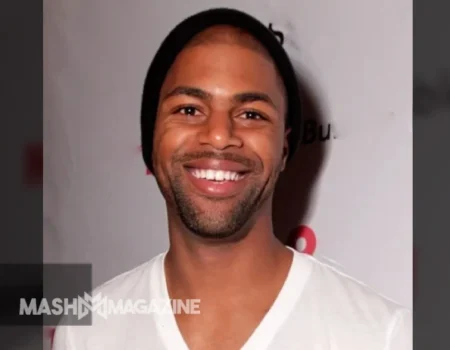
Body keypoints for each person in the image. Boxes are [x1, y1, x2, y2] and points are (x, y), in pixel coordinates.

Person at [53, 8, 411, 350]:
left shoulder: (383, 336)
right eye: (189, 110)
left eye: (251, 114)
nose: (220, 135)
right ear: (151, 138)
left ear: (284, 146)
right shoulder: (91, 329)